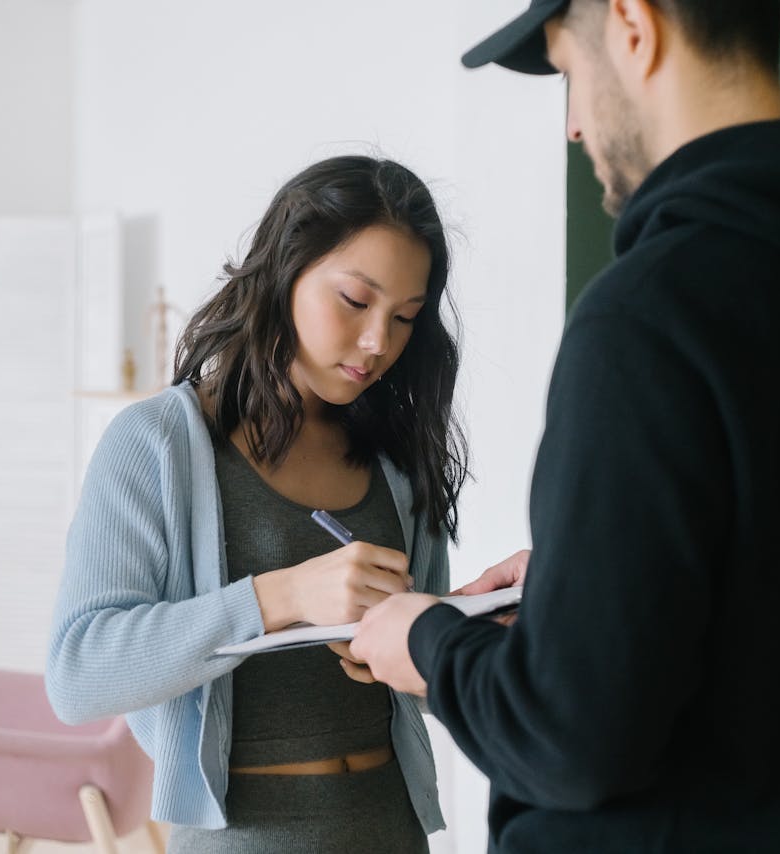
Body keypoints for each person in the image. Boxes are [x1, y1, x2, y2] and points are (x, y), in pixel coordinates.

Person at [350, 1, 780, 851]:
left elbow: (572, 738)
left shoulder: (651, 313)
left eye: (568, 72)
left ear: (635, 25)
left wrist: (431, 642)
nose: (571, 126)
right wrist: (583, 586)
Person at [45, 154, 468, 853]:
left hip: (391, 827)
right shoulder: (156, 445)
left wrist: (469, 629)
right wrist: (282, 597)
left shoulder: (394, 458)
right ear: (284, 271)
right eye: (356, 302)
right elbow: (78, 673)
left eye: (405, 318)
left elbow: (423, 687)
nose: (378, 343)